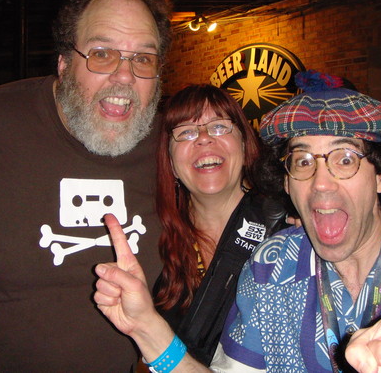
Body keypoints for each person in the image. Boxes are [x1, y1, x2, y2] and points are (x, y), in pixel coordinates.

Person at [93, 71, 381, 372]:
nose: (321, 184)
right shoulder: (271, 266)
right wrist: (145, 327)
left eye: (345, 159)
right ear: (287, 182)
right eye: (302, 161)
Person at [0, 0, 172, 371]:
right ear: (62, 62)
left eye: (143, 58)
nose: (125, 76)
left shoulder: (172, 147)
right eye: (102, 53)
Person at [117, 84, 288, 368]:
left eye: (220, 127)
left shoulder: (286, 230)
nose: (204, 139)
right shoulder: (150, 242)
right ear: (170, 162)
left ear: (245, 145)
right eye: (185, 132)